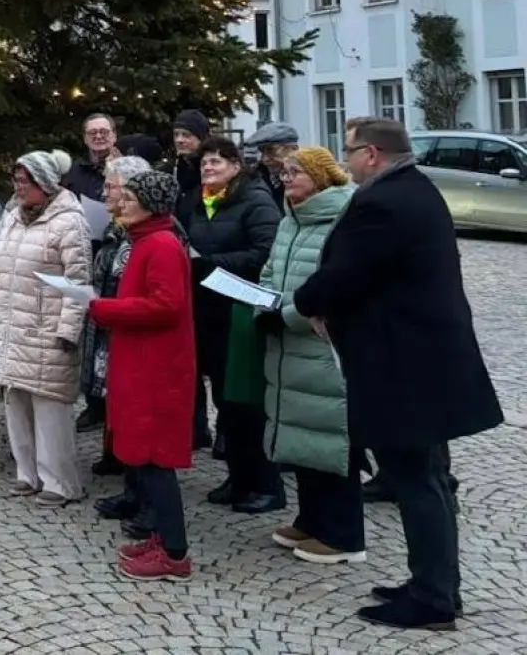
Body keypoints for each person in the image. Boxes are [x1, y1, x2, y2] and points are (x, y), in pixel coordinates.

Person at [293, 119, 502, 630]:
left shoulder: (385, 201)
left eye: (349, 153)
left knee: (416, 481)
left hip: (403, 364)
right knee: (425, 478)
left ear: (372, 154)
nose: (345, 163)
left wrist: (309, 302)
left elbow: (345, 272)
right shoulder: (415, 189)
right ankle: (434, 584)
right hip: (419, 358)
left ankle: (433, 598)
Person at [87, 171, 197, 582]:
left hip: (157, 366)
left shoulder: (163, 245)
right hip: (141, 359)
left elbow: (165, 306)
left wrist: (104, 308)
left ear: (151, 204)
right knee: (143, 455)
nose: (119, 203)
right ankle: (160, 537)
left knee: (156, 460)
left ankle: (175, 552)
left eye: (129, 197)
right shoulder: (146, 240)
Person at [255, 147, 363, 565]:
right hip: (287, 342)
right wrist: (262, 303)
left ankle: (344, 534)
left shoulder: (341, 218)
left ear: (320, 177)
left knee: (330, 440)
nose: (286, 177)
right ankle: (312, 519)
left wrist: (284, 313)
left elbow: (331, 288)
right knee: (301, 438)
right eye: (284, 171)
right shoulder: (290, 218)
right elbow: (270, 270)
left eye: (295, 171)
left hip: (319, 347)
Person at [0, 150, 92, 505]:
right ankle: (26, 473)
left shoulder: (69, 221)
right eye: (16, 181)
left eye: (25, 182)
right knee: (15, 402)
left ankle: (59, 482)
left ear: (44, 184)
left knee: (50, 408)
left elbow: (78, 282)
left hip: (47, 326)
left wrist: (68, 330)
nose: (18, 188)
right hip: (13, 323)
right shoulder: (13, 217)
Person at [186, 136, 283, 514]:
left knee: (248, 404)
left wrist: (208, 263)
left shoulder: (255, 200)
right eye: (204, 163)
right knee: (225, 402)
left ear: (235, 166)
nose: (208, 168)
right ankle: (238, 477)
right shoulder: (200, 202)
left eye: (216, 162)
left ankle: (266, 483)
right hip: (208, 312)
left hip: (242, 312)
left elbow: (265, 253)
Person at [76, 157, 160, 462]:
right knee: (113, 397)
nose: (104, 194)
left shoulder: (149, 235)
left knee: (131, 402)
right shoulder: (118, 226)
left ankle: (132, 466)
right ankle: (117, 456)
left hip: (128, 328)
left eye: (111, 187)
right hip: (109, 320)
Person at [164, 110, 209, 232]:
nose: (179, 140)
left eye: (186, 135)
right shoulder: (170, 169)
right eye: (176, 134)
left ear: (201, 138)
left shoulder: (210, 169)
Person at [60, 113, 117, 203]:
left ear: (114, 136)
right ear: (85, 139)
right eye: (92, 132)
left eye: (104, 132)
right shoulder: (71, 173)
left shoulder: (130, 170)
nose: (98, 136)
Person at [246, 122, 299, 210]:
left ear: (293, 149)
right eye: (262, 151)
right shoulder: (253, 180)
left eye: (271, 150)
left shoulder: (311, 177)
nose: (265, 159)